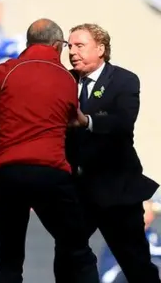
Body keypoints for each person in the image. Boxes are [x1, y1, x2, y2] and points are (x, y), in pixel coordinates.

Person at [0, 19, 99, 283]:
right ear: (56, 45)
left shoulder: (7, 71)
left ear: (28, 44)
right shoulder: (65, 78)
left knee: (9, 260)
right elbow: (71, 119)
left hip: (8, 174)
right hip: (50, 174)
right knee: (78, 251)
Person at [61, 23, 160, 282]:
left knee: (135, 263)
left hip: (117, 190)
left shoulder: (124, 80)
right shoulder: (63, 81)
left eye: (79, 45)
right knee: (68, 257)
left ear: (101, 48)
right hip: (77, 191)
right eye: (69, 46)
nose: (72, 52)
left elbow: (123, 121)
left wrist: (87, 121)